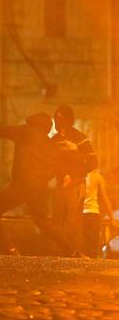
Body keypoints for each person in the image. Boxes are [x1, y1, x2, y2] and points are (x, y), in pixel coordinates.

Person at [0, 113, 75, 256]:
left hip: (22, 183)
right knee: (43, 223)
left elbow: (11, 131)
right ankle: (73, 251)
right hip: (40, 187)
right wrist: (63, 176)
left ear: (34, 121)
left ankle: (9, 248)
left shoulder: (27, 130)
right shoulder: (49, 143)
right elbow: (56, 166)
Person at [51, 105, 98, 256]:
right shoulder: (55, 139)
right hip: (59, 186)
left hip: (76, 185)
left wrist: (73, 175)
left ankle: (75, 254)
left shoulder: (80, 138)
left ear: (68, 120)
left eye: (60, 118)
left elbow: (93, 162)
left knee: (74, 221)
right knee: (57, 220)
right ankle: (58, 253)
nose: (57, 122)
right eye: (56, 118)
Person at [83, 169, 113, 258]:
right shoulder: (98, 177)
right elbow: (104, 197)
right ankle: (92, 263)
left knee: (85, 239)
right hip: (93, 212)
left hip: (81, 212)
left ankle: (84, 260)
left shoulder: (81, 177)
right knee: (94, 241)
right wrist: (111, 217)